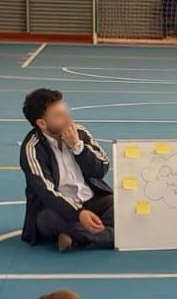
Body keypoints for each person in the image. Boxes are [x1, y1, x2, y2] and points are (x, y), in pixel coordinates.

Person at [19, 87, 114, 252]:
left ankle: (76, 238)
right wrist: (79, 213)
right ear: (42, 123)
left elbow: (102, 169)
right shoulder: (32, 148)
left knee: (123, 204)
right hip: (57, 209)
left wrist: (78, 148)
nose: (68, 120)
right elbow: (47, 193)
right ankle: (113, 236)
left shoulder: (80, 133)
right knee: (47, 220)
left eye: (66, 112)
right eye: (59, 116)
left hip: (91, 201)